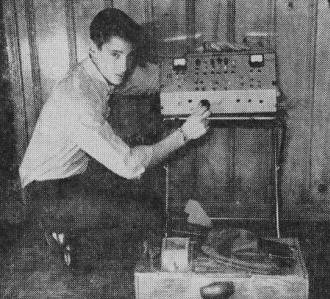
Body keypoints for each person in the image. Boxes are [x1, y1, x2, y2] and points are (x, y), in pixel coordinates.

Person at [19, 8, 210, 267]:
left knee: (146, 198)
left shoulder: (97, 72)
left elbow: (146, 79)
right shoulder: (79, 99)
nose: (123, 66)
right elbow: (131, 165)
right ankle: (64, 241)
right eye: (115, 55)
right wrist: (185, 134)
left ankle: (72, 240)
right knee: (143, 211)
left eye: (129, 56)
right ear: (93, 50)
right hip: (46, 193)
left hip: (71, 178)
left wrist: (201, 67)